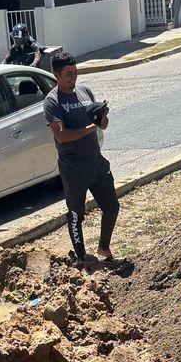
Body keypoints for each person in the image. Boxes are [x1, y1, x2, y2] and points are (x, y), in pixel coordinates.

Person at [43, 51, 119, 263]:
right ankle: (81, 257)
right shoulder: (52, 101)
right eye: (68, 74)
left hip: (96, 161)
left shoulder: (84, 91)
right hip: (73, 167)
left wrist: (102, 117)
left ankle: (104, 248)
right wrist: (89, 128)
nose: (73, 78)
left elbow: (102, 124)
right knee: (76, 215)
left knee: (112, 206)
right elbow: (62, 135)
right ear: (57, 74)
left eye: (75, 72)